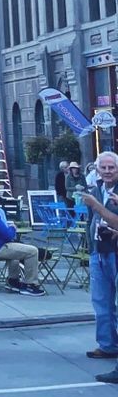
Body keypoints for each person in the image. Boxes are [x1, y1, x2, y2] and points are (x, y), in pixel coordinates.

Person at [80, 152, 118, 365]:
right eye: (103, 168)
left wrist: (97, 206)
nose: (107, 171)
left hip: (116, 251)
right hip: (98, 251)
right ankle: (107, 345)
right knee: (101, 301)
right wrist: (90, 246)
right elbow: (90, 220)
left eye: (111, 167)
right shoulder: (95, 190)